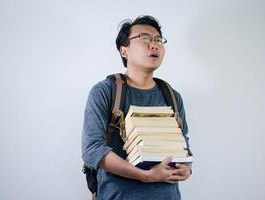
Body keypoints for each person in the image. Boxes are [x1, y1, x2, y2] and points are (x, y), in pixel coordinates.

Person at [82, 15, 192, 200]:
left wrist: (186, 169)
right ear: (124, 50)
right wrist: (145, 176)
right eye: (145, 38)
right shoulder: (105, 91)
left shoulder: (172, 96)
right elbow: (92, 149)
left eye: (158, 40)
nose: (154, 44)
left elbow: (184, 146)